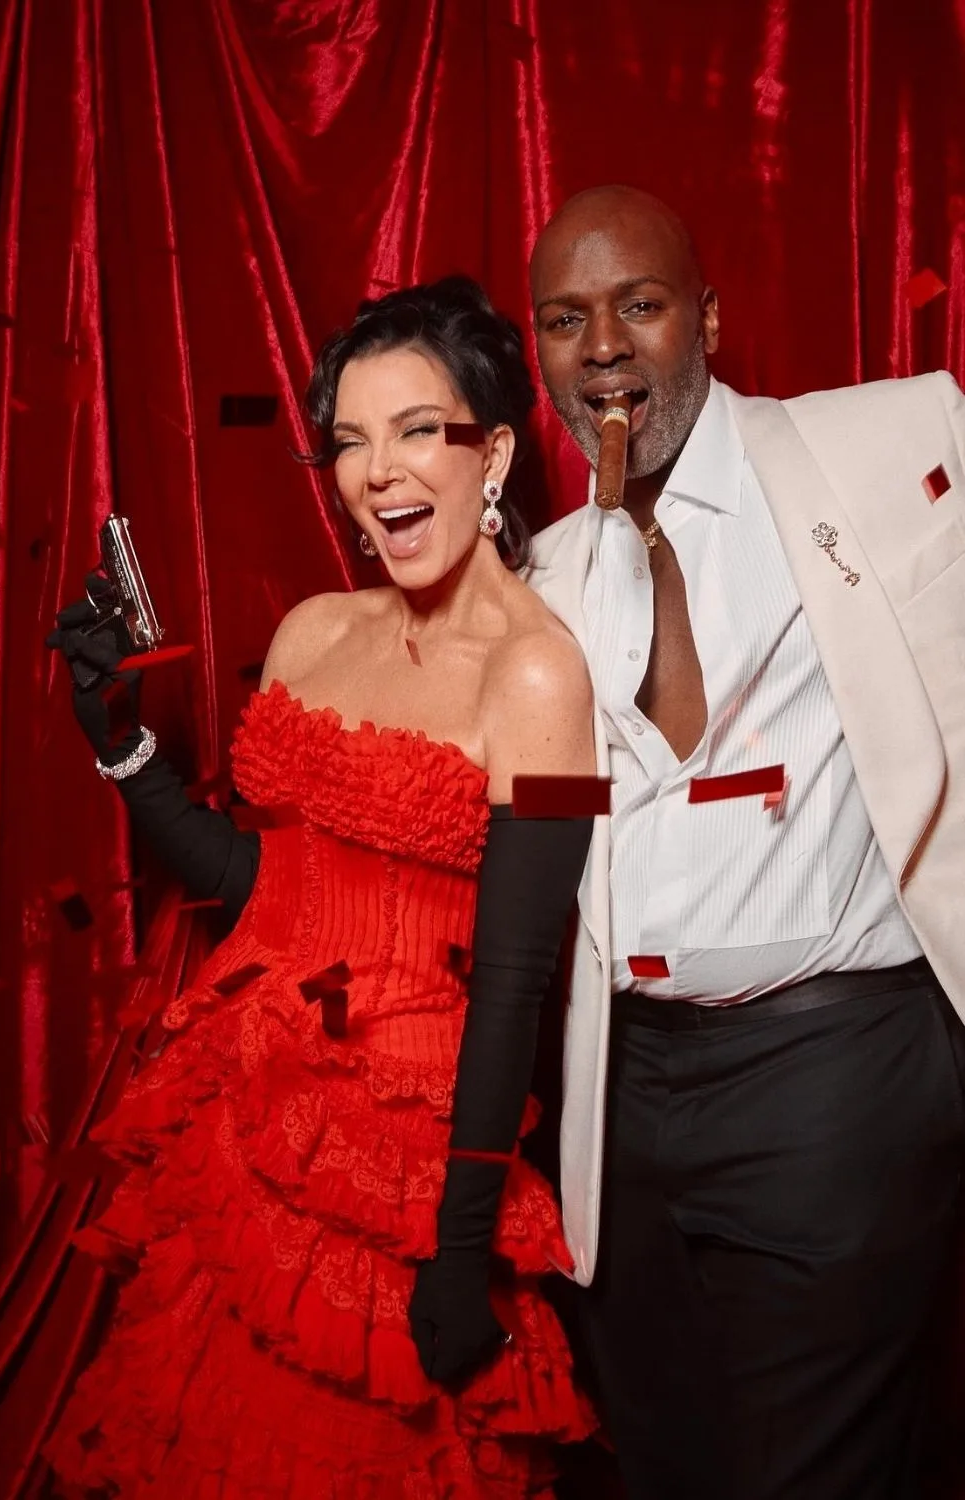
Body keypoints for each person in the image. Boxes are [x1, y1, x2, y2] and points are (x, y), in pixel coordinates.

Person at [43, 275, 598, 1497]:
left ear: (492, 451)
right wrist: (118, 738)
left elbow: (515, 985)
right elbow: (263, 887)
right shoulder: (311, 632)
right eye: (350, 440)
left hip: (398, 1187)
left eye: (415, 430)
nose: (377, 471)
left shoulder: (543, 678)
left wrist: (456, 1255)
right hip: (245, 1134)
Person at [524, 182, 965, 1500]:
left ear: (706, 318)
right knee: (660, 1460)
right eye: (564, 318)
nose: (602, 344)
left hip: (835, 1070)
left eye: (639, 304)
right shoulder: (543, 578)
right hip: (622, 1095)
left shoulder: (882, 445)